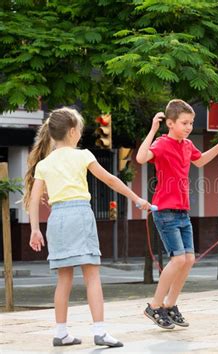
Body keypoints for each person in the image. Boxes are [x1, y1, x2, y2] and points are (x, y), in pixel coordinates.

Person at [24, 107, 151, 347]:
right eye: (80, 130)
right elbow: (111, 180)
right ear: (72, 132)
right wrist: (136, 198)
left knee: (64, 279)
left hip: (57, 219)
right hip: (80, 215)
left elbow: (33, 200)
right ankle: (100, 331)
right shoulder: (83, 156)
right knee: (92, 275)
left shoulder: (44, 164)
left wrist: (34, 229)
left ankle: (61, 332)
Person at [136, 99, 218, 329]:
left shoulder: (188, 145)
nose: (189, 127)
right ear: (170, 123)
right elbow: (141, 158)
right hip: (165, 211)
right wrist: (151, 130)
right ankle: (155, 306)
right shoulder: (161, 143)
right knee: (178, 258)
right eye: (184, 123)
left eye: (191, 123)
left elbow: (200, 162)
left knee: (188, 259)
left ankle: (170, 305)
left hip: (182, 211)